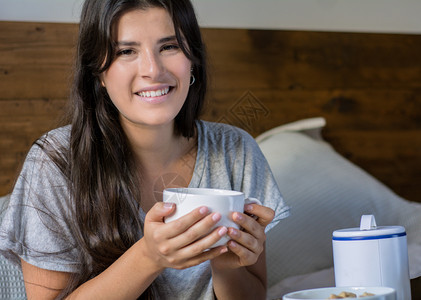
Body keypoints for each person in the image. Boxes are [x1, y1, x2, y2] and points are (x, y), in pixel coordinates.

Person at [0, 0, 289, 299]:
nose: (153, 69)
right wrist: (149, 257)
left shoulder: (235, 150)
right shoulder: (55, 162)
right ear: (98, 72)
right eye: (126, 51)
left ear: (193, 60)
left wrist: (228, 266)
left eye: (170, 47)